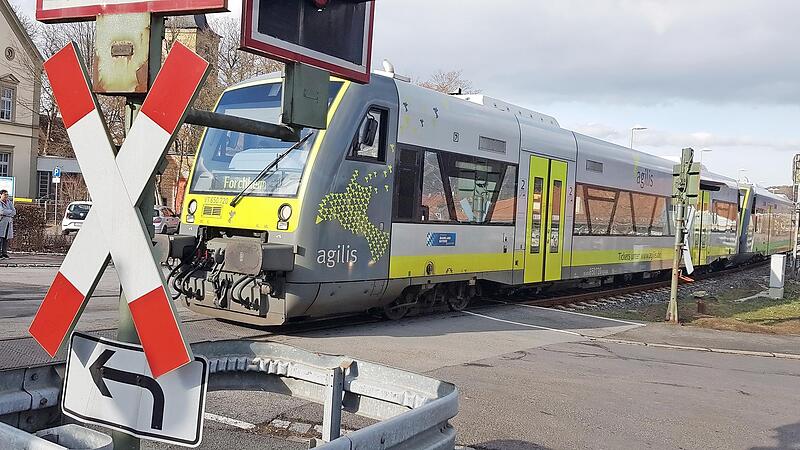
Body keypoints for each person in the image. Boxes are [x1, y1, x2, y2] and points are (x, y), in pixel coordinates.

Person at [0, 189, 15, 258]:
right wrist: (10, 212)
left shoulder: (9, 202)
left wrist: (7, 213)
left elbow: (14, 212)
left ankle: (4, 252)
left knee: (6, 238)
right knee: (0, 238)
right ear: (0, 195)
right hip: (1, 222)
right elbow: (2, 211)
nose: (6, 196)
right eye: (4, 194)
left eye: (7, 194)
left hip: (8, 223)